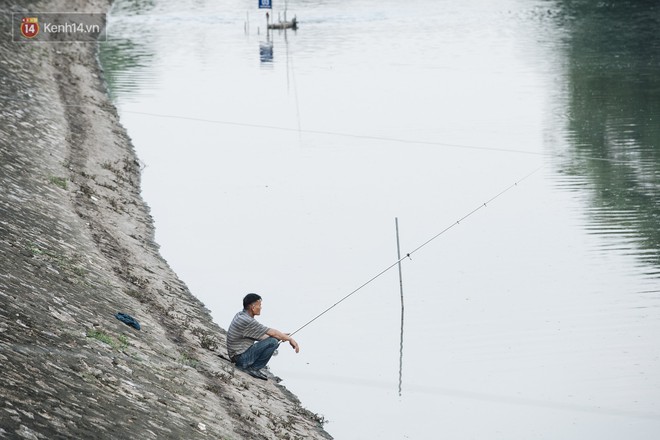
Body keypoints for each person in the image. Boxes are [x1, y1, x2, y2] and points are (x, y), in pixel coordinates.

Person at [227, 293, 299, 380]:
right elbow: (272, 332)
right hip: (240, 359)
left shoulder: (240, 315)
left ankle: (251, 367)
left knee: (273, 340)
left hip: (236, 357)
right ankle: (253, 369)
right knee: (273, 342)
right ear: (252, 307)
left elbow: (262, 336)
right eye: (259, 305)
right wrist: (289, 339)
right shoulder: (247, 321)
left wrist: (281, 337)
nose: (261, 307)